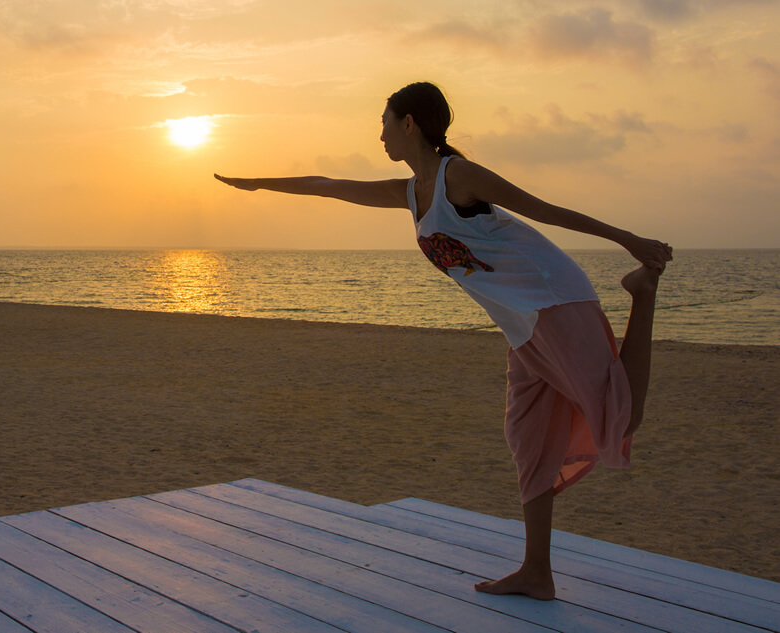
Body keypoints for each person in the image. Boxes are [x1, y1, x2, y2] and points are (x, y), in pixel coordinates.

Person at [214, 81, 672, 601]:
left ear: (409, 124)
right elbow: (329, 183)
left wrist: (629, 242)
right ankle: (536, 572)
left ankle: (642, 294)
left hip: (553, 300)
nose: (379, 134)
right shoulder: (408, 193)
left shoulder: (461, 177)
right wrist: (255, 183)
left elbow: (545, 210)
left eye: (384, 121)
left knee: (620, 416)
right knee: (529, 444)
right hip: (520, 326)